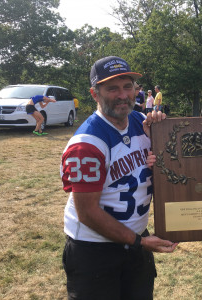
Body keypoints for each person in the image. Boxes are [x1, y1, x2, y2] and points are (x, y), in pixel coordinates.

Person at [60, 56, 177, 300]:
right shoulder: (87, 144)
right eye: (112, 88)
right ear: (95, 94)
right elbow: (88, 213)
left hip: (135, 242)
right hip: (95, 251)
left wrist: (162, 135)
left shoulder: (139, 121)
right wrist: (140, 242)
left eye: (128, 86)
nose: (123, 95)